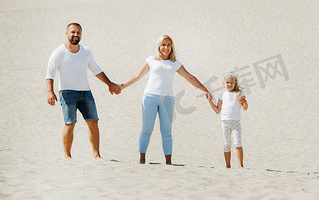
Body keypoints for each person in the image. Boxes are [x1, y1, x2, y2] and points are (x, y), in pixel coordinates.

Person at [120, 35, 212, 165]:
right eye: (164, 44)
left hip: (167, 99)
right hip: (150, 97)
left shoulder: (175, 63)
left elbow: (190, 77)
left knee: (167, 131)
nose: (166, 47)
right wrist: (122, 86)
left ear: (172, 47)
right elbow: (137, 75)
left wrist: (205, 89)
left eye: (169, 45)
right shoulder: (151, 60)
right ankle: (142, 160)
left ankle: (168, 162)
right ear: (159, 46)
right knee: (146, 130)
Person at [46, 23, 121, 159]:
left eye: (78, 32)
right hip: (67, 93)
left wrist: (109, 84)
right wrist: (50, 92)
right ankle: (67, 156)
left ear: (81, 34)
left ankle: (96, 155)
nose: (76, 35)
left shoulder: (86, 51)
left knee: (93, 121)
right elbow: (49, 74)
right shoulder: (59, 52)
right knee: (70, 123)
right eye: (73, 32)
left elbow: (96, 70)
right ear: (67, 33)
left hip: (85, 92)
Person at [207, 73, 248, 168]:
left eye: (231, 82)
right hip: (225, 122)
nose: (229, 84)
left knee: (237, 143)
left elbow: (245, 108)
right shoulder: (222, 95)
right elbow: (217, 110)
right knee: (226, 144)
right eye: (227, 82)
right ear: (223, 83)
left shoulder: (240, 94)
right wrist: (210, 101)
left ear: (235, 83)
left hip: (235, 122)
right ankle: (228, 165)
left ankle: (241, 165)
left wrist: (243, 101)